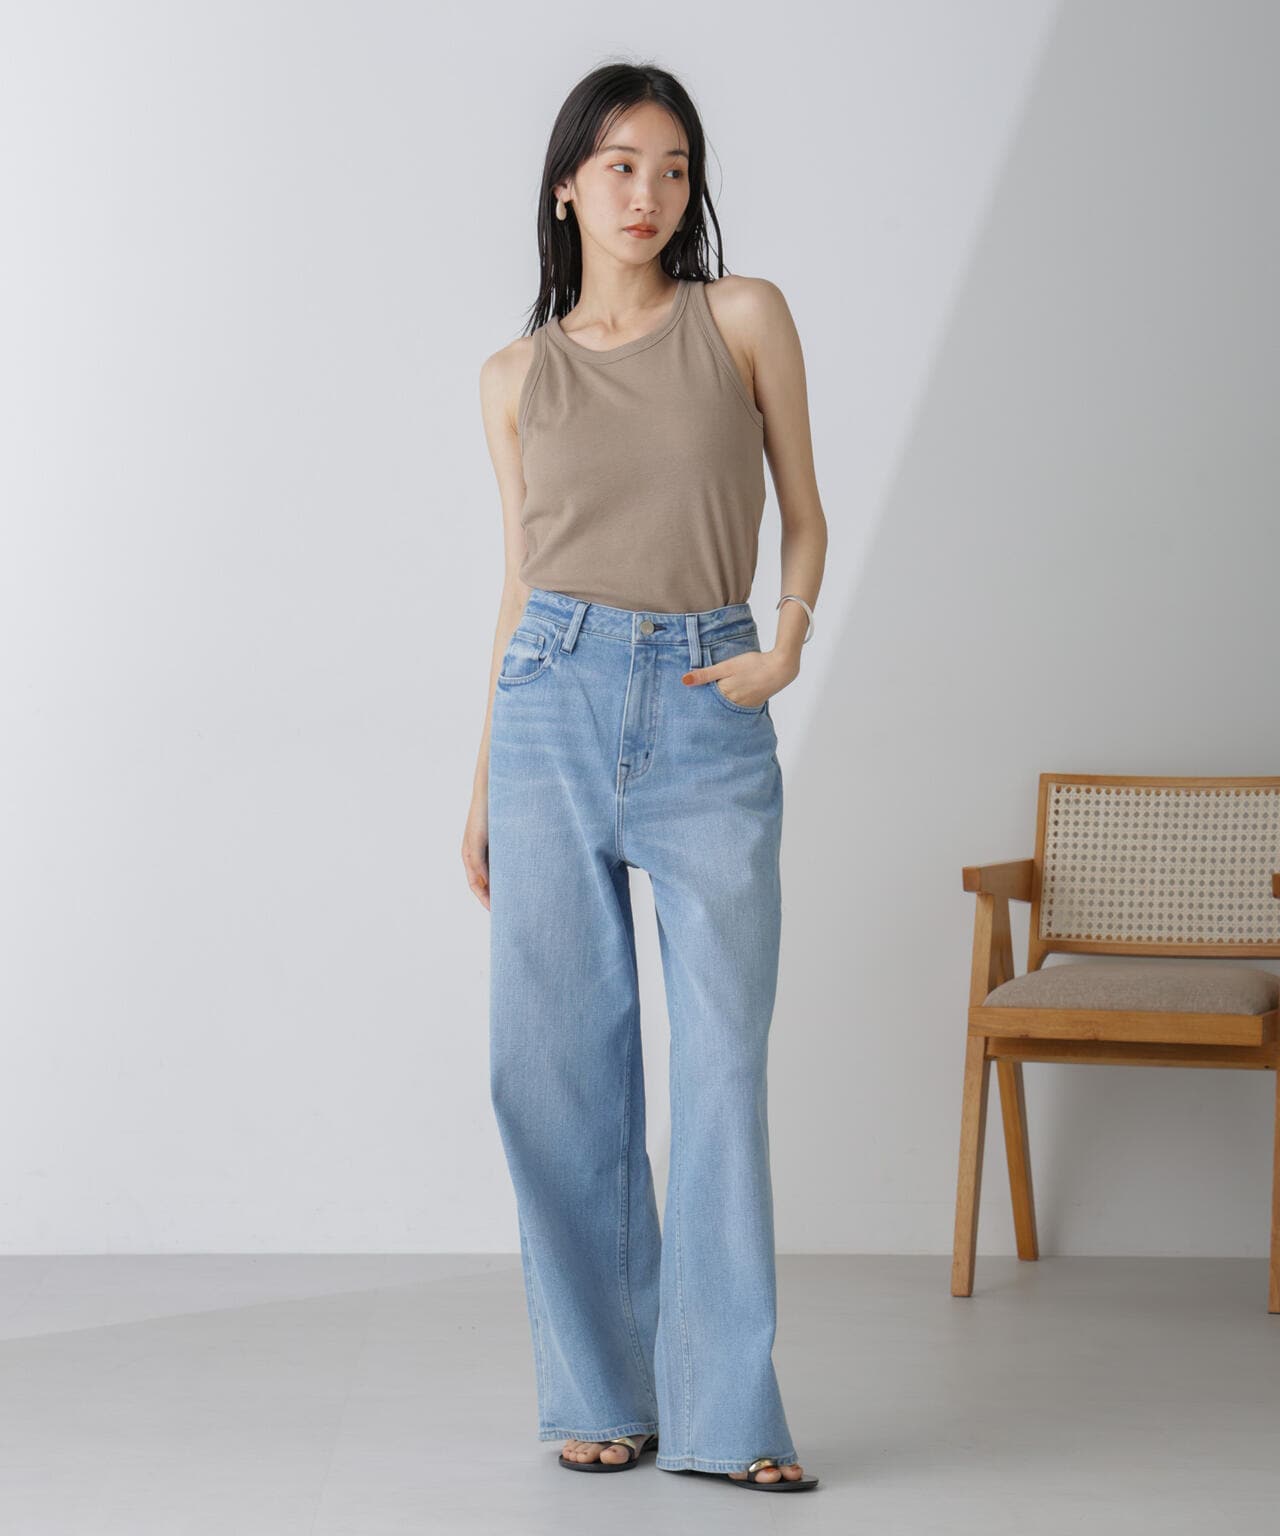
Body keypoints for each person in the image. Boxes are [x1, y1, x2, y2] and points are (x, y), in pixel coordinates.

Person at [462, 61, 827, 1494]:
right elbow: (517, 581)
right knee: (556, 1069)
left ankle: (729, 1416)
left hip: (706, 699)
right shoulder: (514, 378)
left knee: (721, 1063)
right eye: (620, 165)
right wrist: (481, 782)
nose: (649, 194)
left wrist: (784, 644)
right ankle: (600, 1395)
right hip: (547, 705)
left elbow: (804, 513)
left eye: (673, 169)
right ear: (567, 185)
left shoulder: (742, 318)